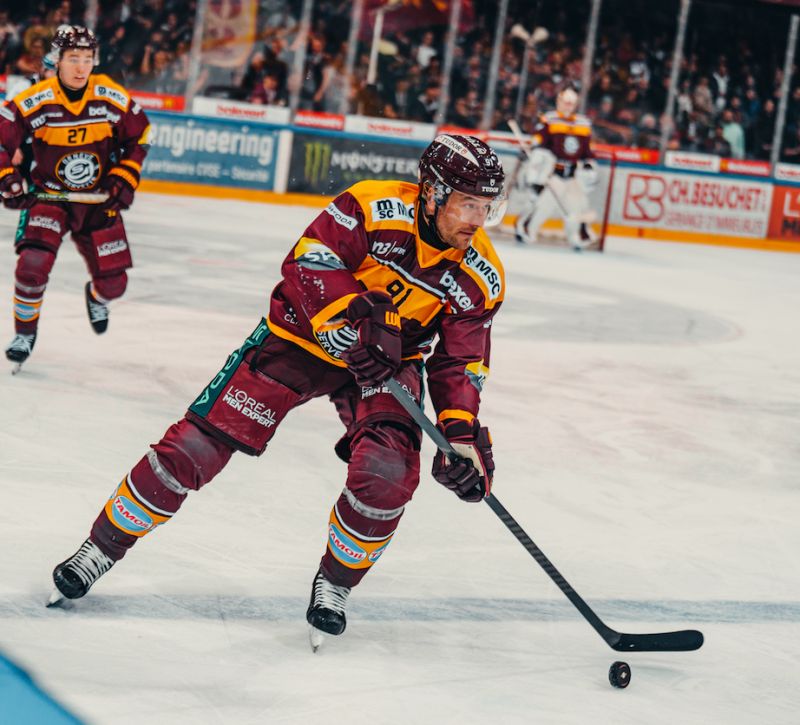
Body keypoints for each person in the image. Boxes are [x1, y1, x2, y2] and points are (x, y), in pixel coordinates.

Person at [47, 134, 507, 652]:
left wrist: (460, 434)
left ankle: (335, 584)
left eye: (488, 207)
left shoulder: (481, 274)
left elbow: (460, 362)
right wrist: (349, 320)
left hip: (384, 367)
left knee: (387, 476)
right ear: (431, 191)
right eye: (468, 203)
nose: (478, 218)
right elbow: (308, 262)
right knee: (195, 450)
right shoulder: (374, 207)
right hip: (297, 341)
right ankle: (99, 549)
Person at [0, 25, 150, 371]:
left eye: (87, 59)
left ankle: (97, 297)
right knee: (31, 268)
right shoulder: (35, 100)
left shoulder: (110, 97)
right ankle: (24, 334)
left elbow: (141, 135)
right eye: (73, 59)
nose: (81, 67)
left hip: (98, 202)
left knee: (115, 285)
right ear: (58, 60)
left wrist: (124, 178)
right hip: (49, 196)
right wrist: (7, 177)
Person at [515, 87, 597, 251]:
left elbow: (587, 151)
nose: (568, 105)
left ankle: (577, 236)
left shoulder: (583, 123)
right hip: (553, 172)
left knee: (578, 204)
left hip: (573, 173)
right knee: (545, 203)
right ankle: (526, 230)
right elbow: (540, 142)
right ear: (559, 102)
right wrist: (537, 152)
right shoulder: (549, 119)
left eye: (571, 103)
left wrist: (588, 165)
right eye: (565, 102)